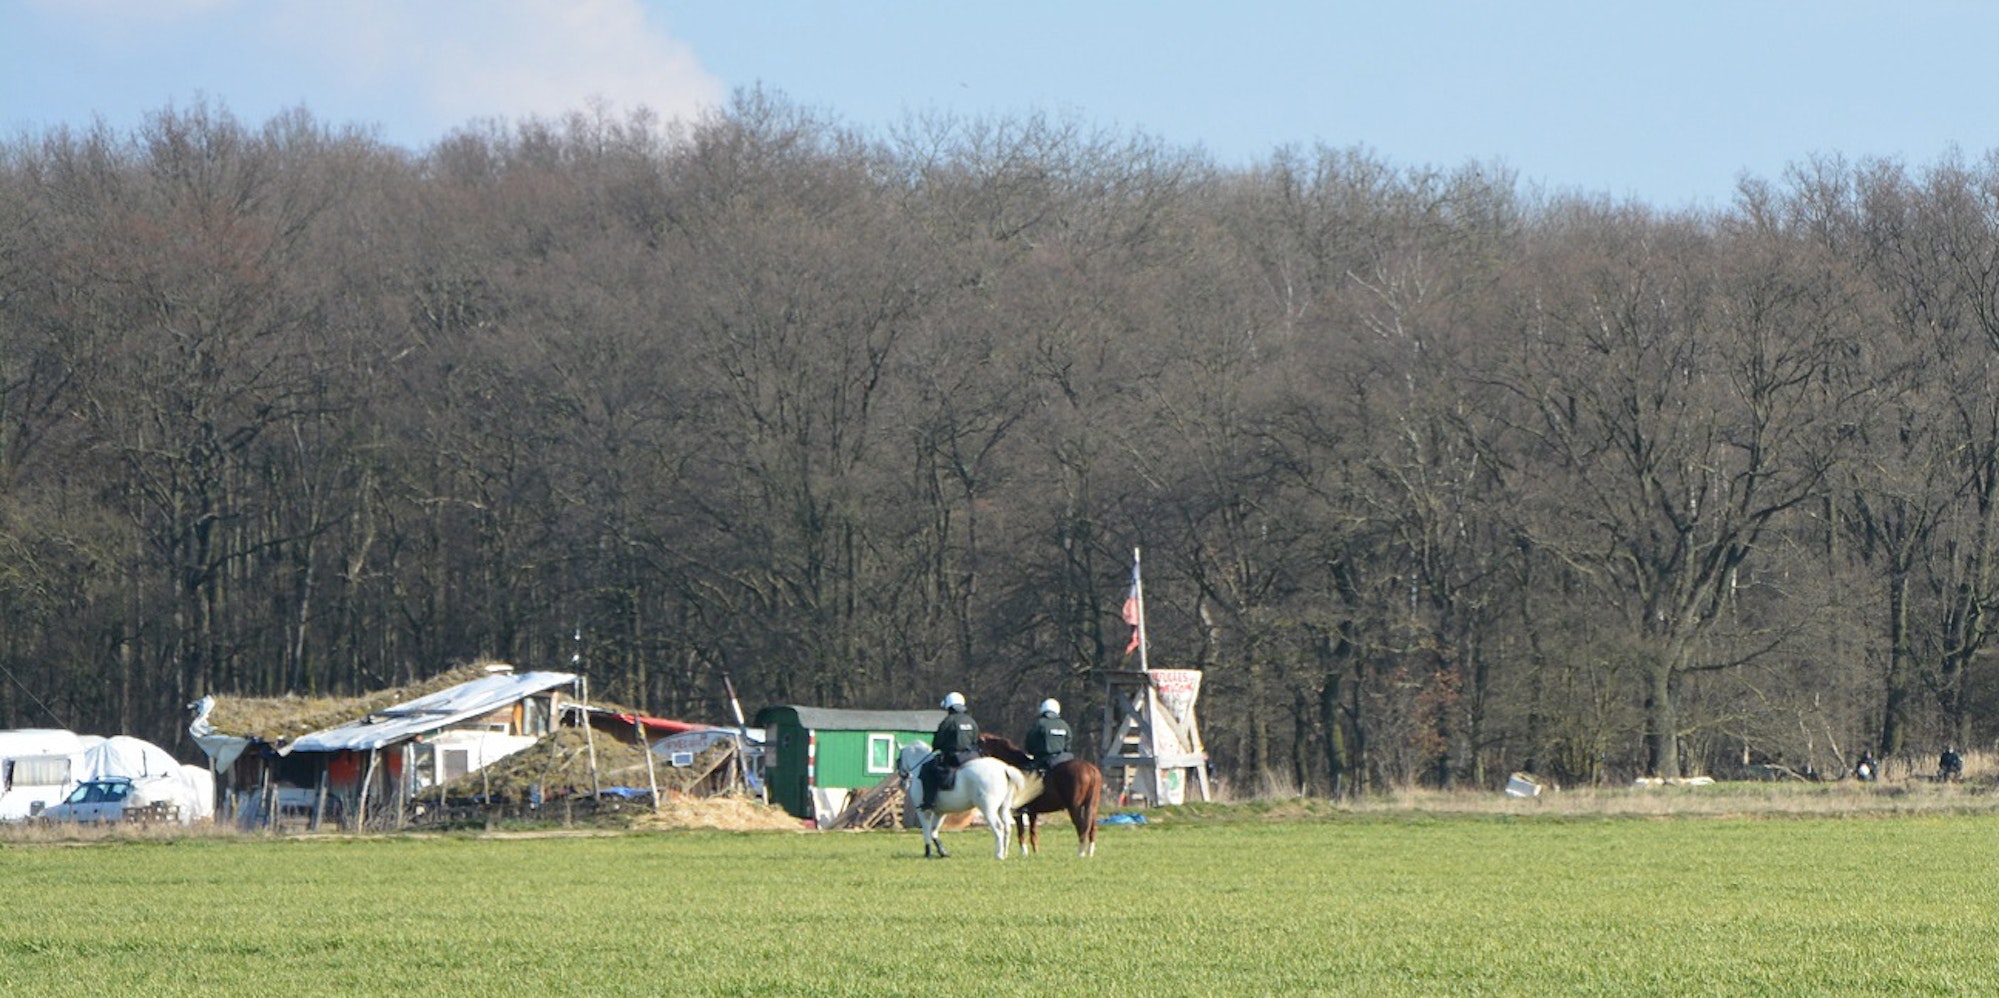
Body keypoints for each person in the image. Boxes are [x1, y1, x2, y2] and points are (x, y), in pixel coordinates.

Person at [921, 691, 981, 807]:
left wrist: (937, 747)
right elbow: (975, 739)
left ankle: (929, 802)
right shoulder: (971, 721)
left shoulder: (948, 721)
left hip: (954, 757)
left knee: (927, 769)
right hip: (972, 755)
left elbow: (938, 740)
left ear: (949, 707)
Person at [1023, 697, 1074, 773]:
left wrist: (1032, 751)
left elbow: (1030, 740)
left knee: (1026, 771)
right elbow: (1068, 741)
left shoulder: (1039, 723)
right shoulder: (1064, 724)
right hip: (1064, 758)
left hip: (1044, 760)